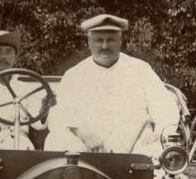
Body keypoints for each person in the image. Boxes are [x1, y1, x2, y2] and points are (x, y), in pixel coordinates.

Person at [45, 14, 180, 158]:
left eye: (110, 40)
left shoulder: (141, 70)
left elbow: (165, 108)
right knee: (56, 140)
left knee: (158, 147)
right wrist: (83, 134)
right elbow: (58, 114)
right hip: (86, 151)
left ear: (120, 41)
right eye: (99, 40)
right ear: (89, 42)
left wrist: (160, 133)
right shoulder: (74, 74)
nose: (104, 46)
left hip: (136, 149)